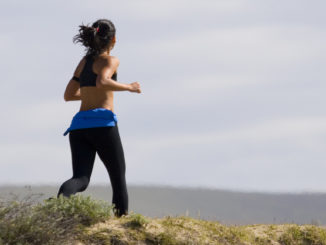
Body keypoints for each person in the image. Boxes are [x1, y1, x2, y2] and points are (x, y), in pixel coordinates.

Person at [57, 19, 141, 218]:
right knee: (118, 177)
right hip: (102, 125)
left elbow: (68, 95)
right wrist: (130, 87)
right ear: (113, 39)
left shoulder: (84, 62)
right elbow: (102, 81)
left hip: (78, 127)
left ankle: (59, 206)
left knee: (80, 179)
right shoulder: (111, 60)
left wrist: (88, 95)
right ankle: (122, 223)